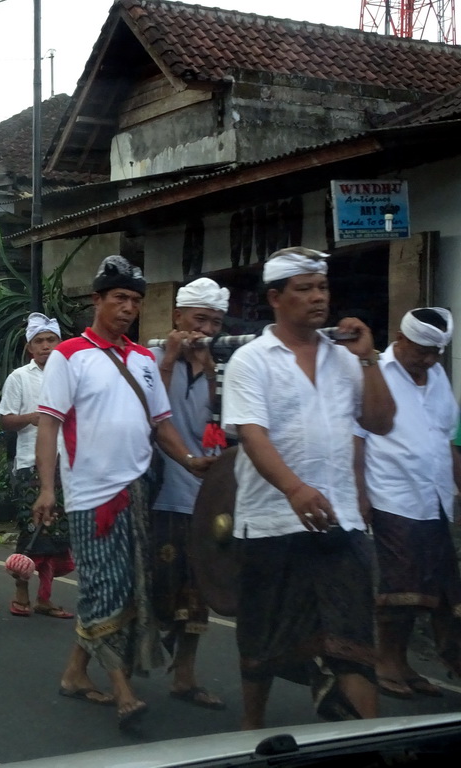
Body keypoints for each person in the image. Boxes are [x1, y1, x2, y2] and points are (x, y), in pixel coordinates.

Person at [33, 255, 213, 726]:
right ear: (97, 300)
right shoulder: (68, 354)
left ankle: (75, 673)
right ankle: (121, 687)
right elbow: (49, 424)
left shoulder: (143, 360)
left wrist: (191, 461)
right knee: (103, 587)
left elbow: (162, 424)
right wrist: (47, 489)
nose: (128, 307)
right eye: (120, 298)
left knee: (129, 587)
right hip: (91, 495)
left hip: (138, 492)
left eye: (135, 300)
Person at [221, 246, 395, 729]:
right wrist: (294, 489)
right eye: (305, 289)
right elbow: (251, 433)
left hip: (341, 522)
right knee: (261, 641)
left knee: (354, 642)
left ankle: (366, 742)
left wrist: (369, 360)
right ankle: (251, 729)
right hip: (271, 522)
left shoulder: (345, 358)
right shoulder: (252, 360)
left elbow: (379, 422)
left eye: (322, 287)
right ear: (275, 298)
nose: (319, 298)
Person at [354, 307, 461, 698]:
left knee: (430, 586)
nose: (429, 361)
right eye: (422, 352)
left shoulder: (436, 375)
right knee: (398, 587)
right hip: (392, 493)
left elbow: (445, 438)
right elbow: (357, 436)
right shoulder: (375, 372)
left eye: (436, 354)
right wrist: (360, 494)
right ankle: (384, 662)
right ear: (401, 340)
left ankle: (404, 663)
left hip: (434, 497)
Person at [148, 277, 229, 711]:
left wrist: (212, 372)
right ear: (178, 316)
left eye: (216, 321)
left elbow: (219, 427)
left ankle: (185, 676)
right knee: (157, 587)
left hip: (206, 493)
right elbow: (151, 415)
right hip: (164, 492)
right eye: (201, 319)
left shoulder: (221, 362)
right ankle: (120, 664)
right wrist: (171, 359)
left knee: (198, 592)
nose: (208, 330)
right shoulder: (150, 357)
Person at [0, 312, 74, 620]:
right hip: (30, 465)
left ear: (60, 343)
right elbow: (5, 420)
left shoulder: (70, 375)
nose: (45, 346)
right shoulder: (19, 377)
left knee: (57, 537)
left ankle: (45, 597)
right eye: (39, 341)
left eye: (50, 340)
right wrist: (32, 417)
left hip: (65, 465)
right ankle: (21, 594)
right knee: (32, 532)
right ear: (30, 348)